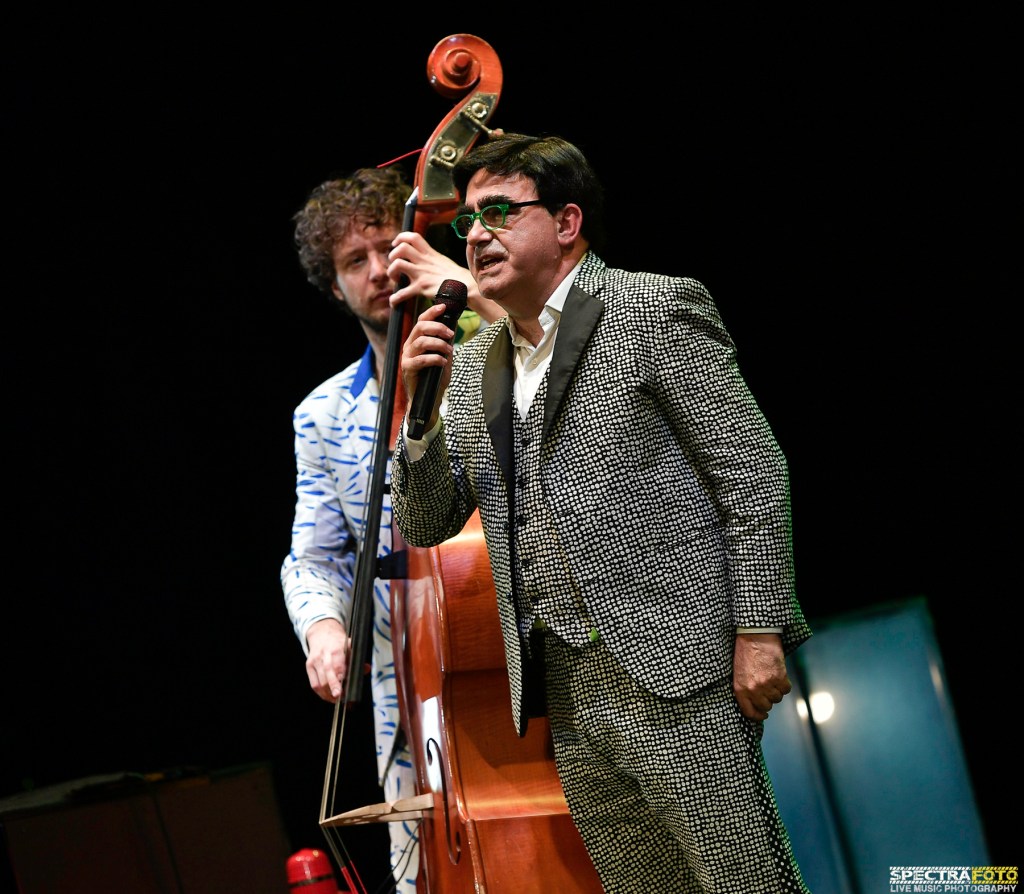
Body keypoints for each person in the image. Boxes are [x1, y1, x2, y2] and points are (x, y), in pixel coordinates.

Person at [390, 134, 813, 893]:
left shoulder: (652, 308)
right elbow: (428, 524)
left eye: (499, 212)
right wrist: (419, 426)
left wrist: (759, 630)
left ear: (566, 221)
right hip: (567, 691)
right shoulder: (476, 362)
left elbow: (751, 471)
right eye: (468, 222)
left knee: (744, 881)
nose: (476, 235)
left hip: (677, 665)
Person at [281, 166, 501, 894]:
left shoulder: (500, 349)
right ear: (334, 284)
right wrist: (321, 627)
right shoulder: (321, 415)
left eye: (388, 246)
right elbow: (312, 558)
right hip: (407, 701)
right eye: (355, 260)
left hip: (515, 662)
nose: (379, 270)